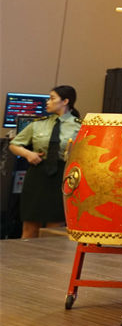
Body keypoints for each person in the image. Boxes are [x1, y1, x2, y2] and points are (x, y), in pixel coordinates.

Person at [9, 86, 82, 238]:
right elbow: (14, 145)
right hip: (37, 175)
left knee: (54, 229)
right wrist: (28, 154)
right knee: (29, 226)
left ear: (65, 101)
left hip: (62, 177)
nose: (47, 102)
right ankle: (24, 254)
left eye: (52, 98)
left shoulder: (79, 126)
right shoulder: (38, 124)